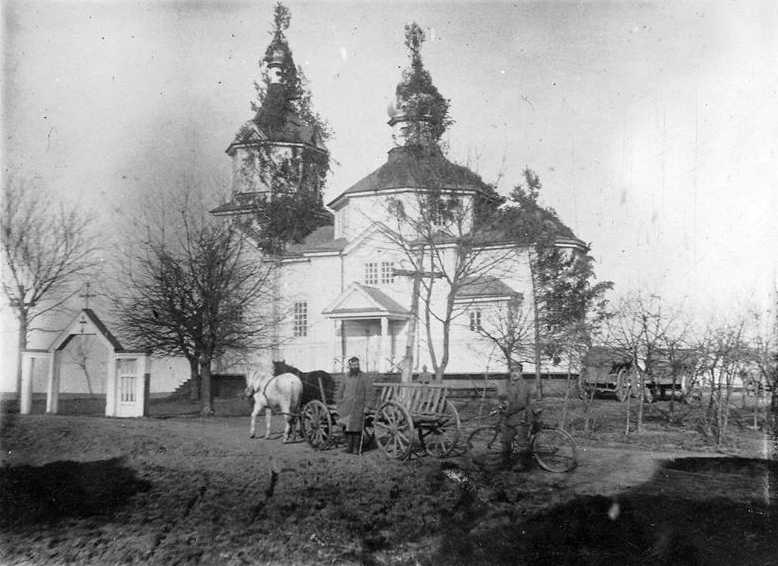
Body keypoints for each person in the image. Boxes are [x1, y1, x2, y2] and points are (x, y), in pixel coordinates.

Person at [338, 356, 375, 454]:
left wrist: (368, 406)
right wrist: (339, 403)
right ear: (350, 366)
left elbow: (370, 392)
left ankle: (356, 449)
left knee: (357, 428)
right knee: (348, 427)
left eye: (357, 364)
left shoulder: (364, 377)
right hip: (346, 406)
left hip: (359, 406)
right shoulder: (346, 377)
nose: (355, 366)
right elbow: (340, 391)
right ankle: (349, 447)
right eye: (353, 365)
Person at [498, 362, 532, 467]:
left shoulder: (524, 385)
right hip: (511, 417)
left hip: (522, 417)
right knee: (505, 440)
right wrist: (502, 405)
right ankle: (505, 462)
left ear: (521, 372)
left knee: (522, 442)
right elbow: (507, 399)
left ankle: (521, 464)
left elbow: (521, 403)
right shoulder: (510, 384)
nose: (514, 373)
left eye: (517, 371)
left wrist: (508, 411)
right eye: (512, 371)